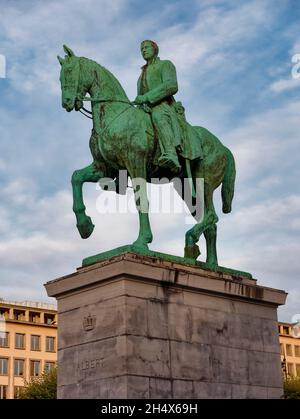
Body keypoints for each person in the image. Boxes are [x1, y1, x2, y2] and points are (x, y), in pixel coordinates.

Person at [134, 40, 182, 173]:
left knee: (158, 116)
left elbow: (171, 85)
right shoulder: (140, 75)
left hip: (163, 106)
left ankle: (171, 153)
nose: (143, 50)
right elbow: (141, 96)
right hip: (145, 109)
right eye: (141, 48)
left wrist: (147, 97)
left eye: (146, 47)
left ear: (155, 49)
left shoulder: (165, 64)